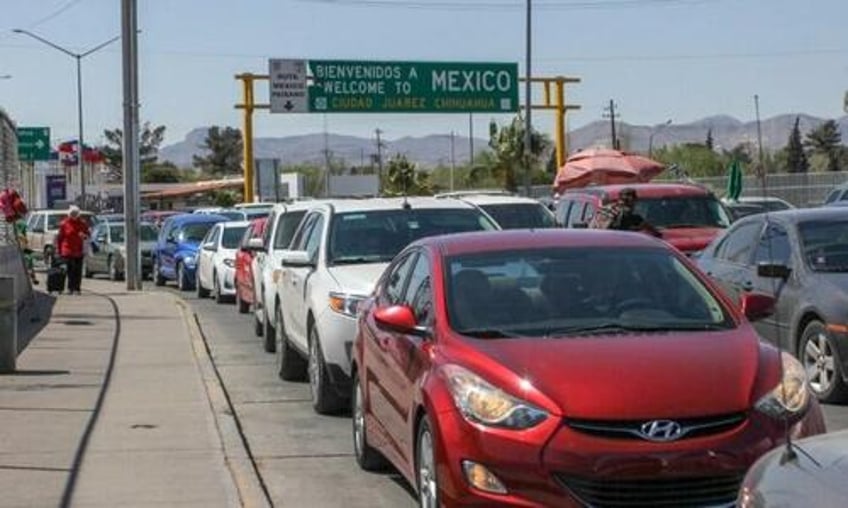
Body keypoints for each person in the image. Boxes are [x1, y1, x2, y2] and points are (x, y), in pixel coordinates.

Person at [591, 187, 661, 237]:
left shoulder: (608, 209)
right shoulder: (633, 217)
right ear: (633, 200)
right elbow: (653, 231)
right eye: (635, 200)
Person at [55, 205, 90, 295]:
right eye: (72, 214)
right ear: (69, 214)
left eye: (76, 214)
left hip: (79, 250)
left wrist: (84, 236)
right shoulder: (64, 224)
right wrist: (58, 250)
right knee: (70, 270)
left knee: (78, 270)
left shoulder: (82, 223)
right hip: (67, 250)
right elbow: (60, 238)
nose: (74, 215)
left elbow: (88, 235)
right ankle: (70, 288)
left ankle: (77, 288)